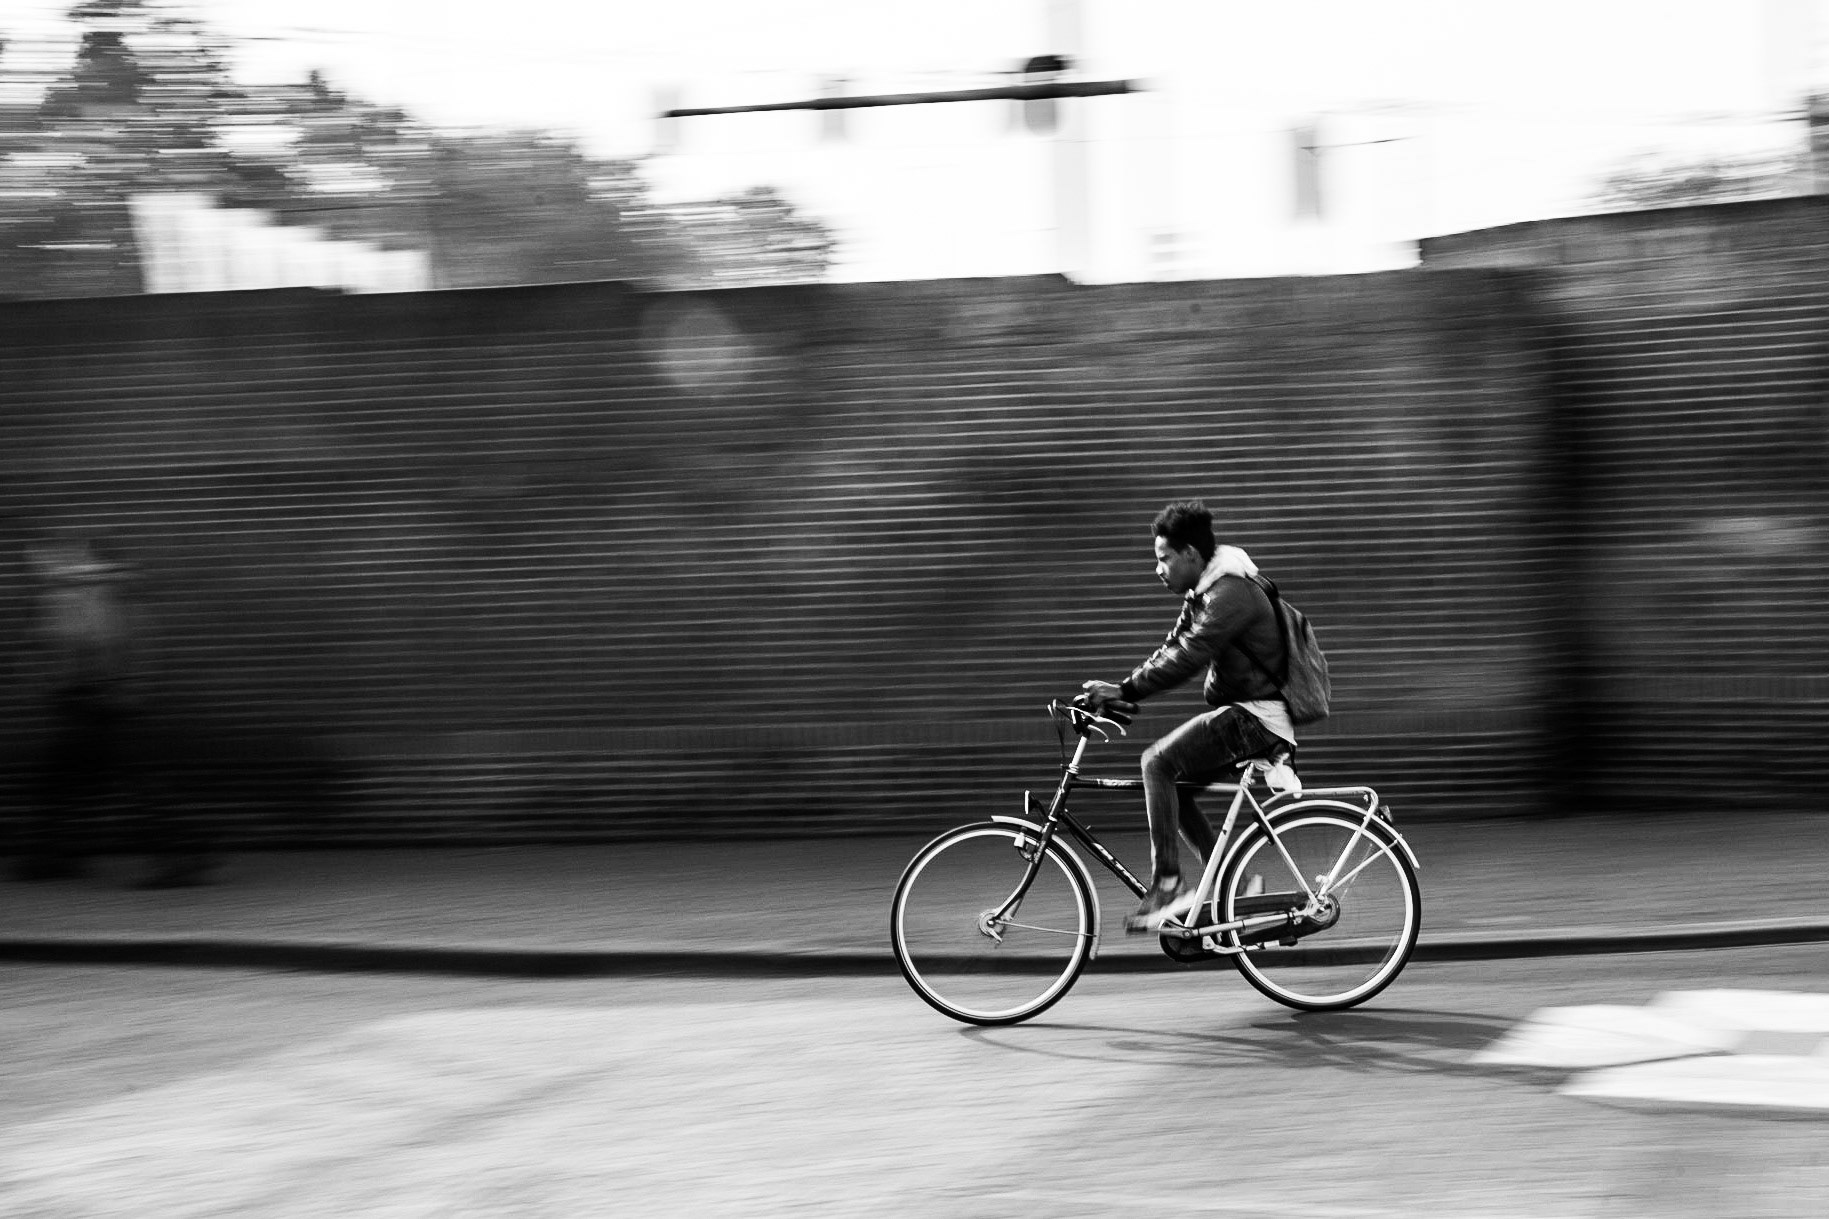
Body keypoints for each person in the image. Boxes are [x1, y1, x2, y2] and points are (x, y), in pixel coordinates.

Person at [1080, 500, 1296, 933]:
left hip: (1255, 719)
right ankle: (1234, 883)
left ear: (1191, 555)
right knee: (1173, 786)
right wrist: (1124, 690)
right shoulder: (1206, 590)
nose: (1158, 569)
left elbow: (1190, 655)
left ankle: (1169, 884)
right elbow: (1172, 645)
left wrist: (1127, 689)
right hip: (1244, 715)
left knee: (1156, 763)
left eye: (1164, 559)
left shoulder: (1230, 593)